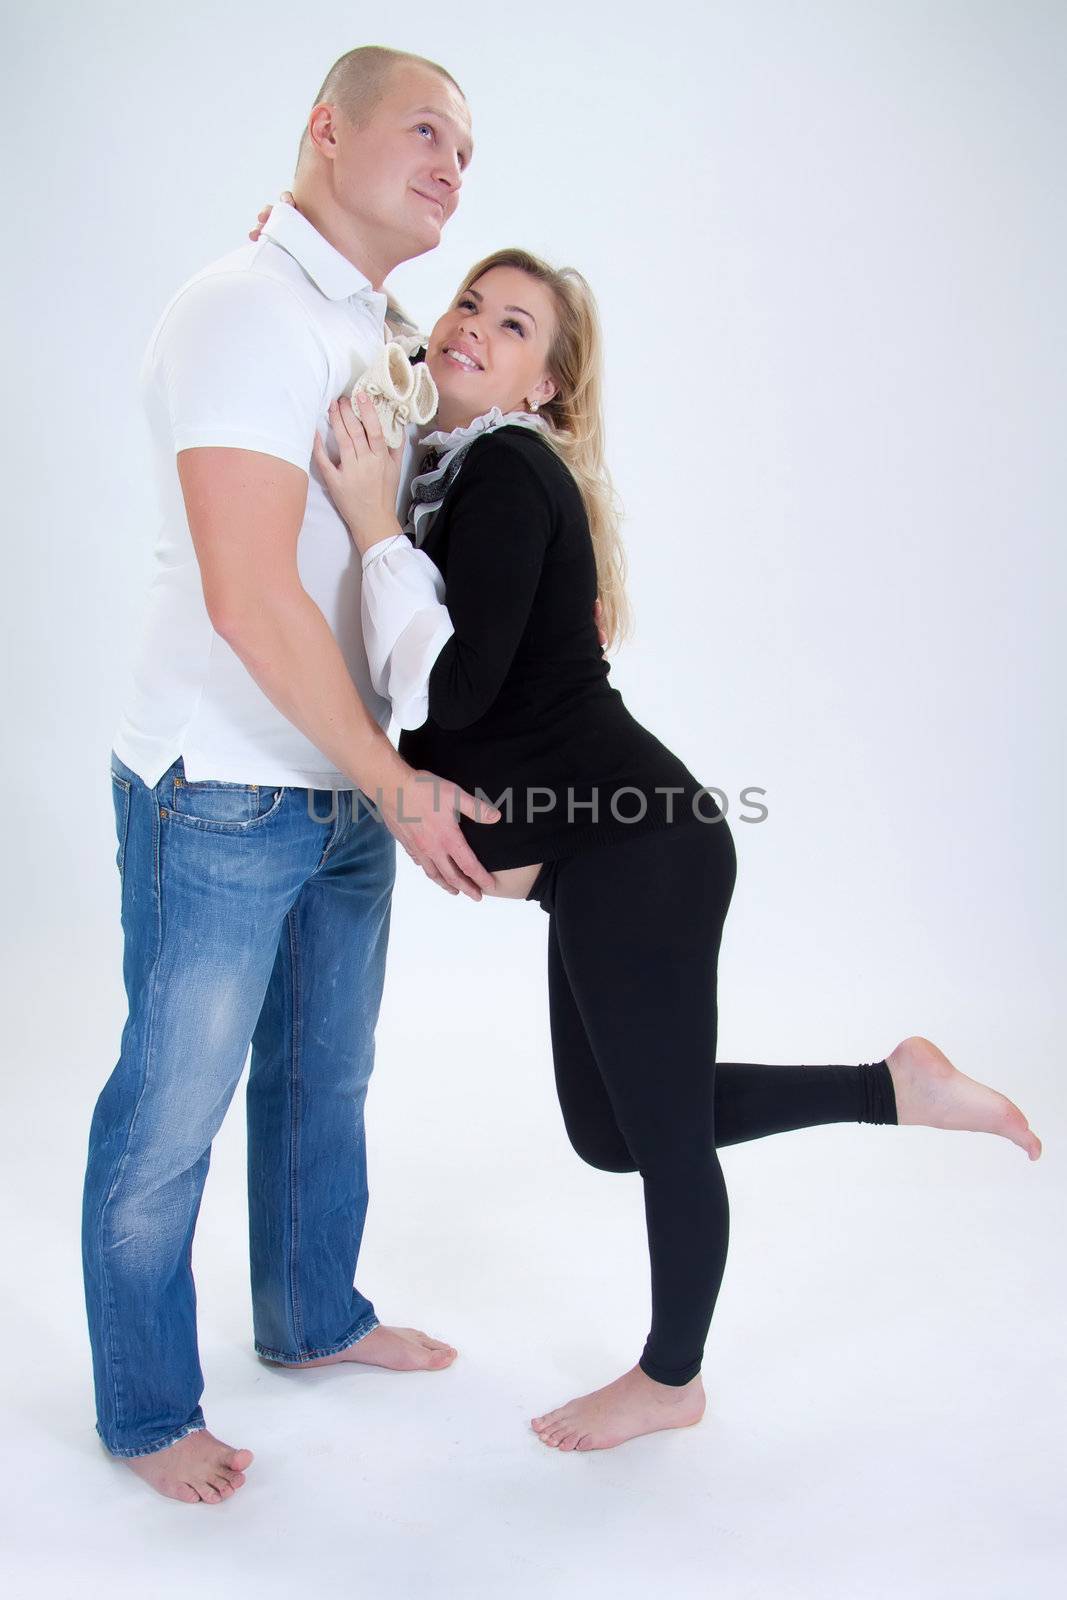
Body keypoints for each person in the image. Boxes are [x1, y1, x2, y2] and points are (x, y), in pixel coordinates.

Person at [299, 239, 1043, 1454]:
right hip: (618, 854)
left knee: (652, 1139)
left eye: (516, 328)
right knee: (611, 1129)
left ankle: (671, 1376)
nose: (474, 327)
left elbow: (455, 693)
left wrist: (372, 521)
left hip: (639, 848)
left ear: (542, 386)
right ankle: (889, 1087)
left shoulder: (503, 470)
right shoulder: (475, 474)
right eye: (467, 305)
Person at [82, 46, 512, 1508]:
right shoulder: (241, 311)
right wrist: (394, 785)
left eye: (469, 147)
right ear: (324, 133)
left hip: (340, 778)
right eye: (424, 131)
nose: (454, 164)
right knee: (171, 1108)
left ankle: (310, 1318)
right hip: (221, 786)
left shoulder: (371, 331)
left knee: (326, 1076)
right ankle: (145, 1410)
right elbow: (248, 594)